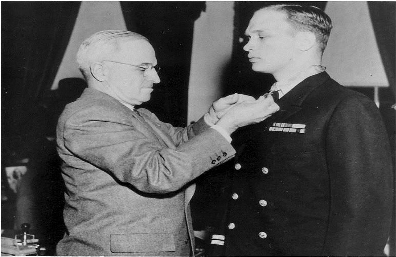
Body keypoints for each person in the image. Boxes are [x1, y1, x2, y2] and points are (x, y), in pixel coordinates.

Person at [55, 30, 279, 256]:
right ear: (101, 71)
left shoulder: (133, 113)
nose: (156, 78)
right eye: (143, 68)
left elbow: (180, 142)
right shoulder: (89, 116)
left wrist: (214, 118)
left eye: (154, 68)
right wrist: (228, 125)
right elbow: (158, 174)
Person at [210, 4, 394, 256]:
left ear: (305, 41)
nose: (247, 46)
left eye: (261, 36)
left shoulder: (346, 107)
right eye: (247, 37)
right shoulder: (259, 105)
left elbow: (364, 215)